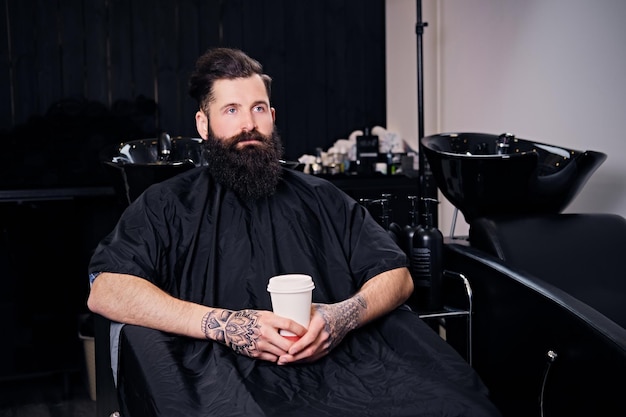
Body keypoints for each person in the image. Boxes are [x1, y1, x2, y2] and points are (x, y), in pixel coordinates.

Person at [87, 47, 501, 417]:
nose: (249, 124)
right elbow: (107, 289)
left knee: (459, 403)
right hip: (214, 371)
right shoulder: (166, 204)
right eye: (231, 110)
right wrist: (226, 324)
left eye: (259, 109)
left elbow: (397, 276)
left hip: (342, 362)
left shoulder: (322, 197)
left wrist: (340, 317)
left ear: (273, 117)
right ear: (203, 124)